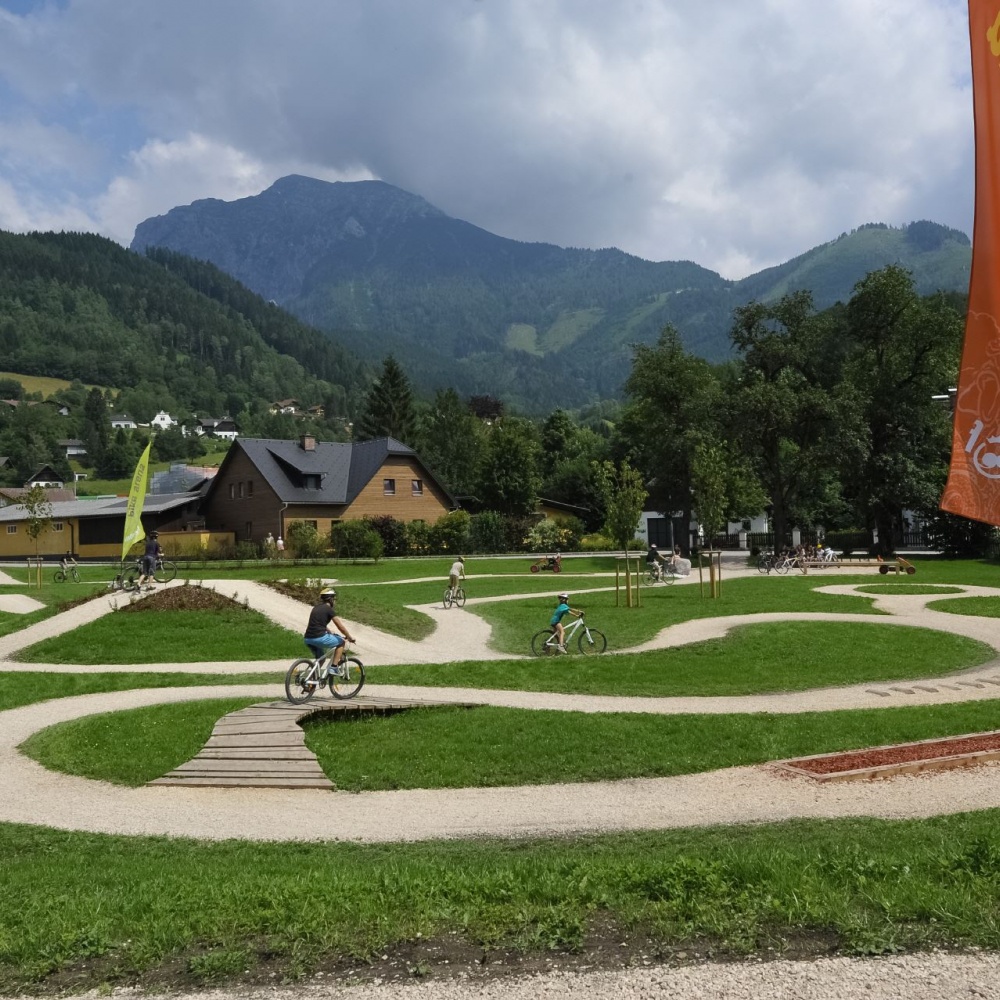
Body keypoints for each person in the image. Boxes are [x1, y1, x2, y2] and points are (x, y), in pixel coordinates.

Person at [303, 587, 356, 673]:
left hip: (308, 639)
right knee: (341, 642)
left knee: (321, 659)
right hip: (319, 638)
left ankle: (311, 682)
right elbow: (340, 626)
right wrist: (349, 637)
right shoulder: (329, 609)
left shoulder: (316, 608)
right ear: (330, 599)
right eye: (334, 599)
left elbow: (318, 623)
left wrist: (329, 631)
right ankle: (334, 667)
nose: (335, 601)